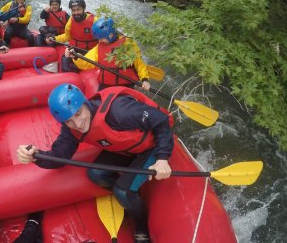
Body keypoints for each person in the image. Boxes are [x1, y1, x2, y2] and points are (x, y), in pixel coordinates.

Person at [17, 83, 173, 242]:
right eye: (69, 121)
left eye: (78, 114)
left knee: (122, 191)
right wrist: (35, 156)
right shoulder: (71, 129)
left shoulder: (120, 111)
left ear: (85, 103)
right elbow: (59, 157)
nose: (77, 124)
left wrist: (162, 158)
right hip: (126, 148)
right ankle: (131, 198)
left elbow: (161, 121)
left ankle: (141, 226)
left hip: (151, 146)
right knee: (95, 174)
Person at [65, 17, 151, 91]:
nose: (99, 41)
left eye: (101, 38)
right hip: (106, 85)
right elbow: (86, 63)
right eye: (98, 39)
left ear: (110, 35)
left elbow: (139, 63)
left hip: (126, 84)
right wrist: (75, 56)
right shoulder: (99, 47)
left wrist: (144, 79)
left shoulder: (127, 43)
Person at [45, 0, 98, 72]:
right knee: (65, 59)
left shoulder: (94, 20)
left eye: (78, 9)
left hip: (89, 52)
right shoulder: (71, 20)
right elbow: (67, 36)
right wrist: (54, 38)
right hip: (74, 50)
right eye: (73, 10)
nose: (76, 12)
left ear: (84, 8)